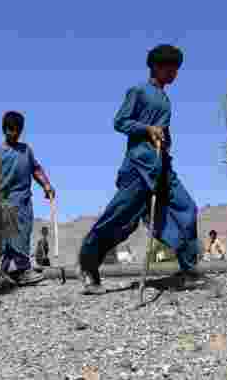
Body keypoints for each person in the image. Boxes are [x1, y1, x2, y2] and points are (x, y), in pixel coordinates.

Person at [77, 44, 202, 295]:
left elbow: (164, 131)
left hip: (162, 166)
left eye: (177, 69)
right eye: (170, 68)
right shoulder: (138, 91)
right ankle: (89, 267)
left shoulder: (165, 98)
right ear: (155, 66)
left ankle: (189, 271)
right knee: (119, 219)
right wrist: (147, 130)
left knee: (186, 208)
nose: (174, 74)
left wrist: (165, 144)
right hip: (139, 166)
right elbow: (120, 122)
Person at [0, 111, 55, 286]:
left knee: (22, 234)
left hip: (23, 201)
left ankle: (14, 272)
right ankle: (15, 271)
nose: (12, 133)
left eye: (16, 130)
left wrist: (46, 185)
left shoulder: (26, 150)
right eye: (9, 129)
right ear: (4, 129)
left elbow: (36, 169)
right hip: (4, 202)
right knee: (7, 239)